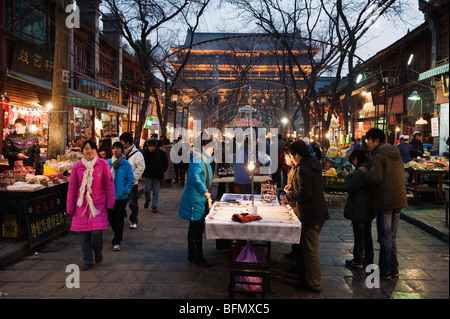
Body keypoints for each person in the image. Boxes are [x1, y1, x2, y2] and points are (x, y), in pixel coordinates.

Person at [359, 128, 407, 280]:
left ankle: (385, 270)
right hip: (398, 199)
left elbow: (375, 178)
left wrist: (364, 172)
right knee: (391, 236)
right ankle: (393, 268)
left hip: (385, 200)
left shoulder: (379, 156)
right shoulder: (395, 153)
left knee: (385, 237)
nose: (367, 143)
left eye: (369, 140)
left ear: (377, 140)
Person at [283, 140, 329, 293]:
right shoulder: (313, 164)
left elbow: (305, 193)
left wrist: (290, 194)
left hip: (311, 214)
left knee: (310, 250)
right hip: (317, 211)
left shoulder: (303, 168)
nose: (290, 158)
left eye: (290, 155)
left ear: (296, 155)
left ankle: (314, 284)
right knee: (308, 249)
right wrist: (293, 186)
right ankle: (307, 277)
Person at [66, 140, 115, 270]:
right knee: (84, 234)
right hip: (81, 206)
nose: (89, 151)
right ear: (82, 151)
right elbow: (72, 188)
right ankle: (87, 260)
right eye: (86, 149)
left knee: (97, 232)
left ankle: (98, 252)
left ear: (96, 151)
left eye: (92, 148)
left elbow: (109, 185)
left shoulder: (103, 164)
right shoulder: (77, 167)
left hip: (98, 205)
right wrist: (70, 206)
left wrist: (111, 202)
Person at [178, 132, 214, 267]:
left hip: (199, 199)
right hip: (196, 199)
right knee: (197, 229)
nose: (213, 150)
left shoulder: (202, 160)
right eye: (211, 148)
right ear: (204, 148)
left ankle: (192, 254)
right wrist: (205, 192)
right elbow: (194, 178)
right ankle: (197, 256)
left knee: (195, 228)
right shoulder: (198, 160)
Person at [344, 150, 376, 269]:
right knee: (367, 233)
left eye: (352, 160)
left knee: (359, 234)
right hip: (369, 206)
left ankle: (358, 259)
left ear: (356, 159)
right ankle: (369, 258)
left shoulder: (359, 172)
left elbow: (351, 188)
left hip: (359, 206)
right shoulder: (369, 169)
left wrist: (348, 177)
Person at [107, 142, 135, 251]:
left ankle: (117, 241)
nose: (116, 150)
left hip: (121, 197)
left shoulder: (126, 164)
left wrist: (125, 190)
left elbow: (131, 180)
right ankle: (117, 233)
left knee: (118, 218)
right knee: (111, 218)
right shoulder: (107, 164)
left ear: (122, 150)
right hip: (109, 196)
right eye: (114, 148)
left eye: (118, 148)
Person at [119, 132, 146, 229]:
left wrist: (132, 177)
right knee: (120, 202)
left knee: (133, 203)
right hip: (121, 183)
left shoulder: (137, 154)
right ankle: (122, 216)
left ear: (127, 142)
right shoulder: (120, 153)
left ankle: (133, 220)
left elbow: (141, 168)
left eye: (122, 142)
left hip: (132, 183)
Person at [142, 138, 168, 213]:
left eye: (152, 146)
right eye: (149, 146)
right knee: (147, 189)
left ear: (156, 146)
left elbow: (165, 163)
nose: (150, 148)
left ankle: (154, 206)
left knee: (156, 191)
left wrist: (163, 170)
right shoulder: (145, 153)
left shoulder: (161, 153)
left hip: (157, 175)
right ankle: (147, 200)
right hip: (148, 175)